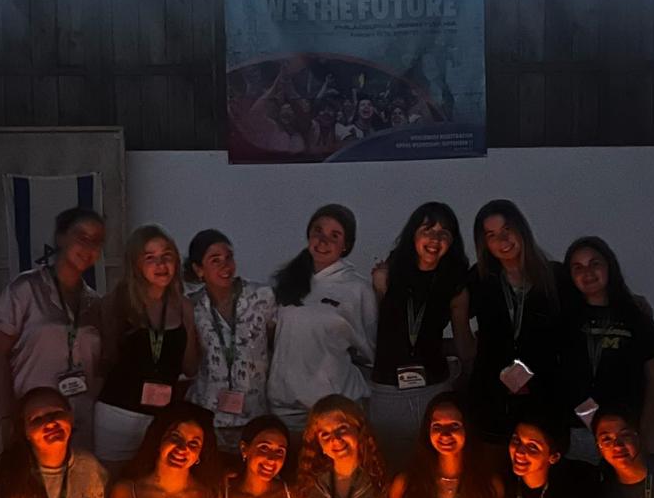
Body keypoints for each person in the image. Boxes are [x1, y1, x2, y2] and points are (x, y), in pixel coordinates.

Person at [0, 207, 105, 452]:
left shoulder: (95, 302)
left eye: (97, 241)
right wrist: (7, 415)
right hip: (29, 417)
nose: (89, 246)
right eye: (82, 237)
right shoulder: (25, 289)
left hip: (77, 419)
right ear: (61, 237)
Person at [369, 202, 475, 473]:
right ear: (413, 235)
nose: (435, 239)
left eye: (444, 234)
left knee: (436, 469)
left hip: (434, 389)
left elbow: (463, 342)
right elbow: (376, 333)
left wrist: (472, 373)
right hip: (388, 389)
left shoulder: (455, 283)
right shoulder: (387, 275)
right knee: (389, 469)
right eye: (428, 230)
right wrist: (379, 289)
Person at [94, 225, 198, 468]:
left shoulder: (183, 306)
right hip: (118, 411)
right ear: (135, 264)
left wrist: (191, 329)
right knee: (113, 485)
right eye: (150, 258)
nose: (160, 265)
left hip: (162, 415)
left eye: (167, 256)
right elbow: (104, 360)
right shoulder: (116, 302)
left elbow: (190, 367)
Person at [268, 205, 377, 436]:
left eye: (334, 235)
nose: (323, 240)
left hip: (334, 409)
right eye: (318, 231)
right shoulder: (289, 280)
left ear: (346, 245)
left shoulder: (357, 288)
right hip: (286, 407)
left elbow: (373, 347)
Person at [467, 200, 567, 448]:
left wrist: (630, 300)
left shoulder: (555, 276)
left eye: (507, 230)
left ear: (521, 229)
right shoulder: (479, 278)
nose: (502, 240)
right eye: (491, 235)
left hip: (545, 393)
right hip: (492, 394)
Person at [564, 236, 654, 449]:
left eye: (595, 264)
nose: (588, 272)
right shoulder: (563, 316)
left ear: (609, 266)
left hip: (623, 429)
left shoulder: (635, 316)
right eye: (578, 267)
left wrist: (645, 428)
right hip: (576, 430)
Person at [186, 229, 276, 452]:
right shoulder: (192, 307)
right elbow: (192, 360)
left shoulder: (262, 297)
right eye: (215, 260)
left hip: (255, 412)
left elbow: (277, 344)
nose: (225, 266)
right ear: (199, 270)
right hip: (209, 414)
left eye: (228, 257)